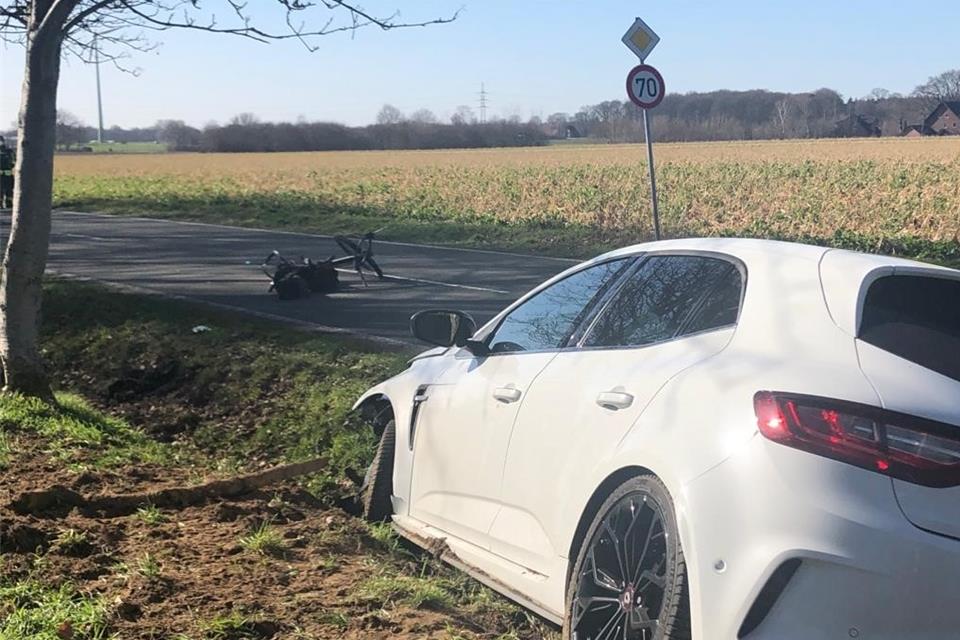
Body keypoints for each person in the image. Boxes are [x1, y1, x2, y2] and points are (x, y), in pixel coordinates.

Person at [0, 136, 14, 209]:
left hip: (8, 175)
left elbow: (14, 161)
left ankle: (9, 203)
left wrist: (11, 165)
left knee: (9, 190)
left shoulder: (9, 151)